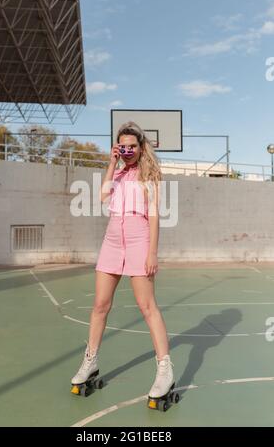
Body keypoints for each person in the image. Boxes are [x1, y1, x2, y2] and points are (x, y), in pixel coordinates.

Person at [71, 121, 175, 400]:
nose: (127, 150)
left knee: (147, 306)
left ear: (141, 148)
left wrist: (152, 252)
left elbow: (153, 216)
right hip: (113, 240)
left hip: (140, 239)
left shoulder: (150, 174)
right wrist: (111, 163)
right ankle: (90, 360)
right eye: (123, 146)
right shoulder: (117, 174)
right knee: (100, 305)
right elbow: (103, 196)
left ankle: (164, 370)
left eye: (132, 146)